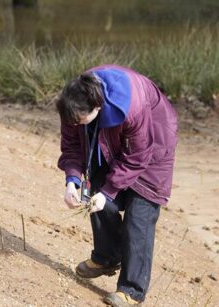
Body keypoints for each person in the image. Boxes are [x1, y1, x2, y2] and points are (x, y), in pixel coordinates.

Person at [56, 64, 178, 306]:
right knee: (95, 197)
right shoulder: (73, 105)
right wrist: (72, 180)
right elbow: (71, 145)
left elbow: (138, 156)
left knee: (139, 215)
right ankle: (107, 257)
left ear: (97, 107)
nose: (76, 124)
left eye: (81, 121)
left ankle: (131, 290)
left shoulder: (130, 105)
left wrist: (109, 192)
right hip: (110, 141)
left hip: (153, 145)